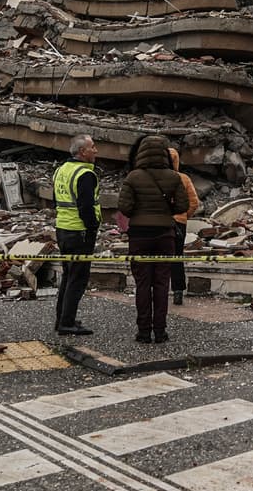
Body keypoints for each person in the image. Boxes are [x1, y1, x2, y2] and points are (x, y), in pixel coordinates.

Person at [117, 135, 188, 344]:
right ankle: (161, 331)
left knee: (142, 283)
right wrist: (166, 210)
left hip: (139, 235)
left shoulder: (133, 177)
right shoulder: (174, 177)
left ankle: (143, 331)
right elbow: (182, 206)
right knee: (161, 283)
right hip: (165, 234)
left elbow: (125, 208)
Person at [52, 135, 100, 336]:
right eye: (92, 147)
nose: (95, 151)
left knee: (68, 276)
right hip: (79, 230)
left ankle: (62, 318)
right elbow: (86, 207)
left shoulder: (61, 170)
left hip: (62, 228)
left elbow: (56, 200)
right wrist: (92, 227)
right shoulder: (85, 174)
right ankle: (67, 322)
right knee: (77, 278)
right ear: (82, 152)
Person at [167, 147, 200, 306]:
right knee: (177, 257)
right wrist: (184, 216)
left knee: (155, 257)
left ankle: (156, 290)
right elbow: (194, 203)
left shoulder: (153, 178)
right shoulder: (184, 178)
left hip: (159, 222)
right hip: (179, 223)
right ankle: (178, 291)